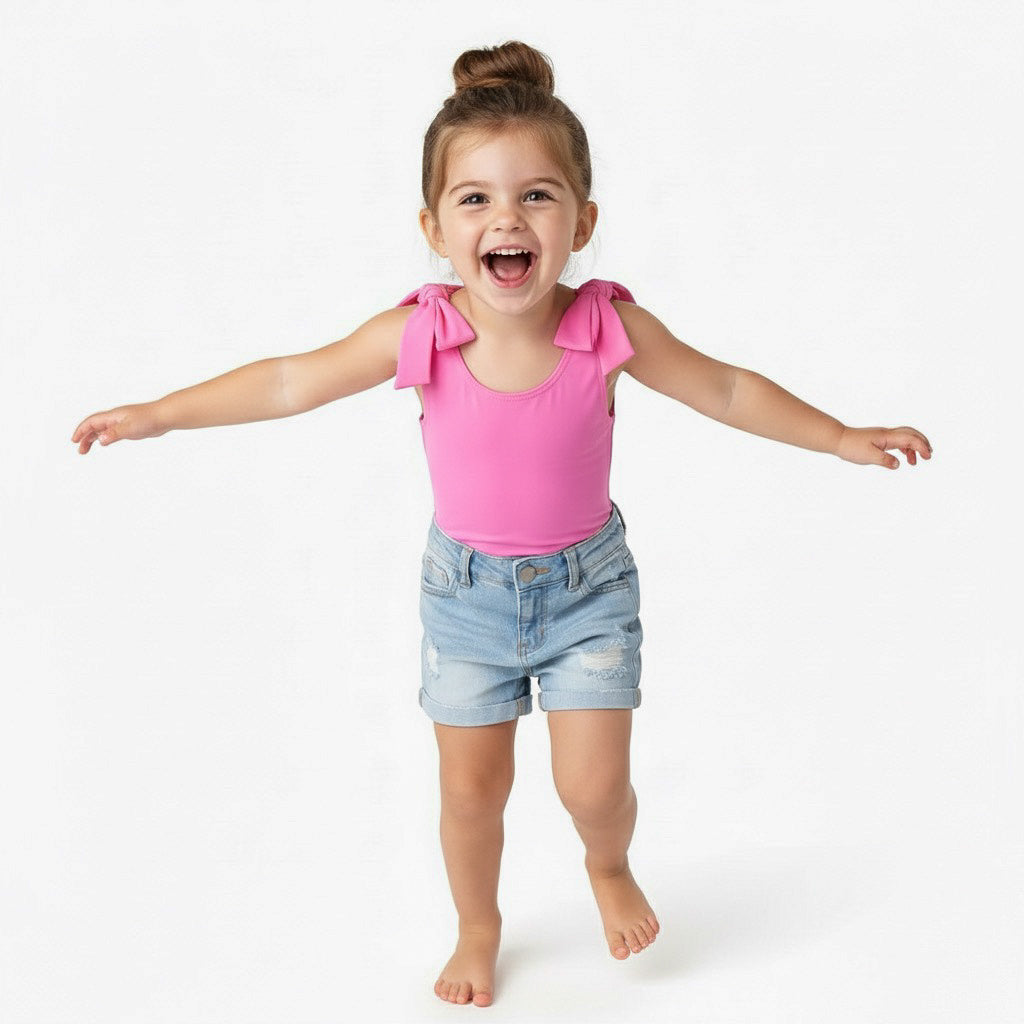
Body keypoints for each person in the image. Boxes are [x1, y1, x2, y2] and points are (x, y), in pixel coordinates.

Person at [71, 39, 933, 1009]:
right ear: (434, 226)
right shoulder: (422, 332)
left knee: (592, 788)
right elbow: (285, 379)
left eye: (536, 195)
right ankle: (477, 925)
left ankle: (607, 863)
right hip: (467, 597)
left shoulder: (607, 328)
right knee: (472, 793)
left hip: (587, 592)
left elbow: (726, 388)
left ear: (581, 218)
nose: (506, 218)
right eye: (474, 199)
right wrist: (157, 412)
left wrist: (837, 435)